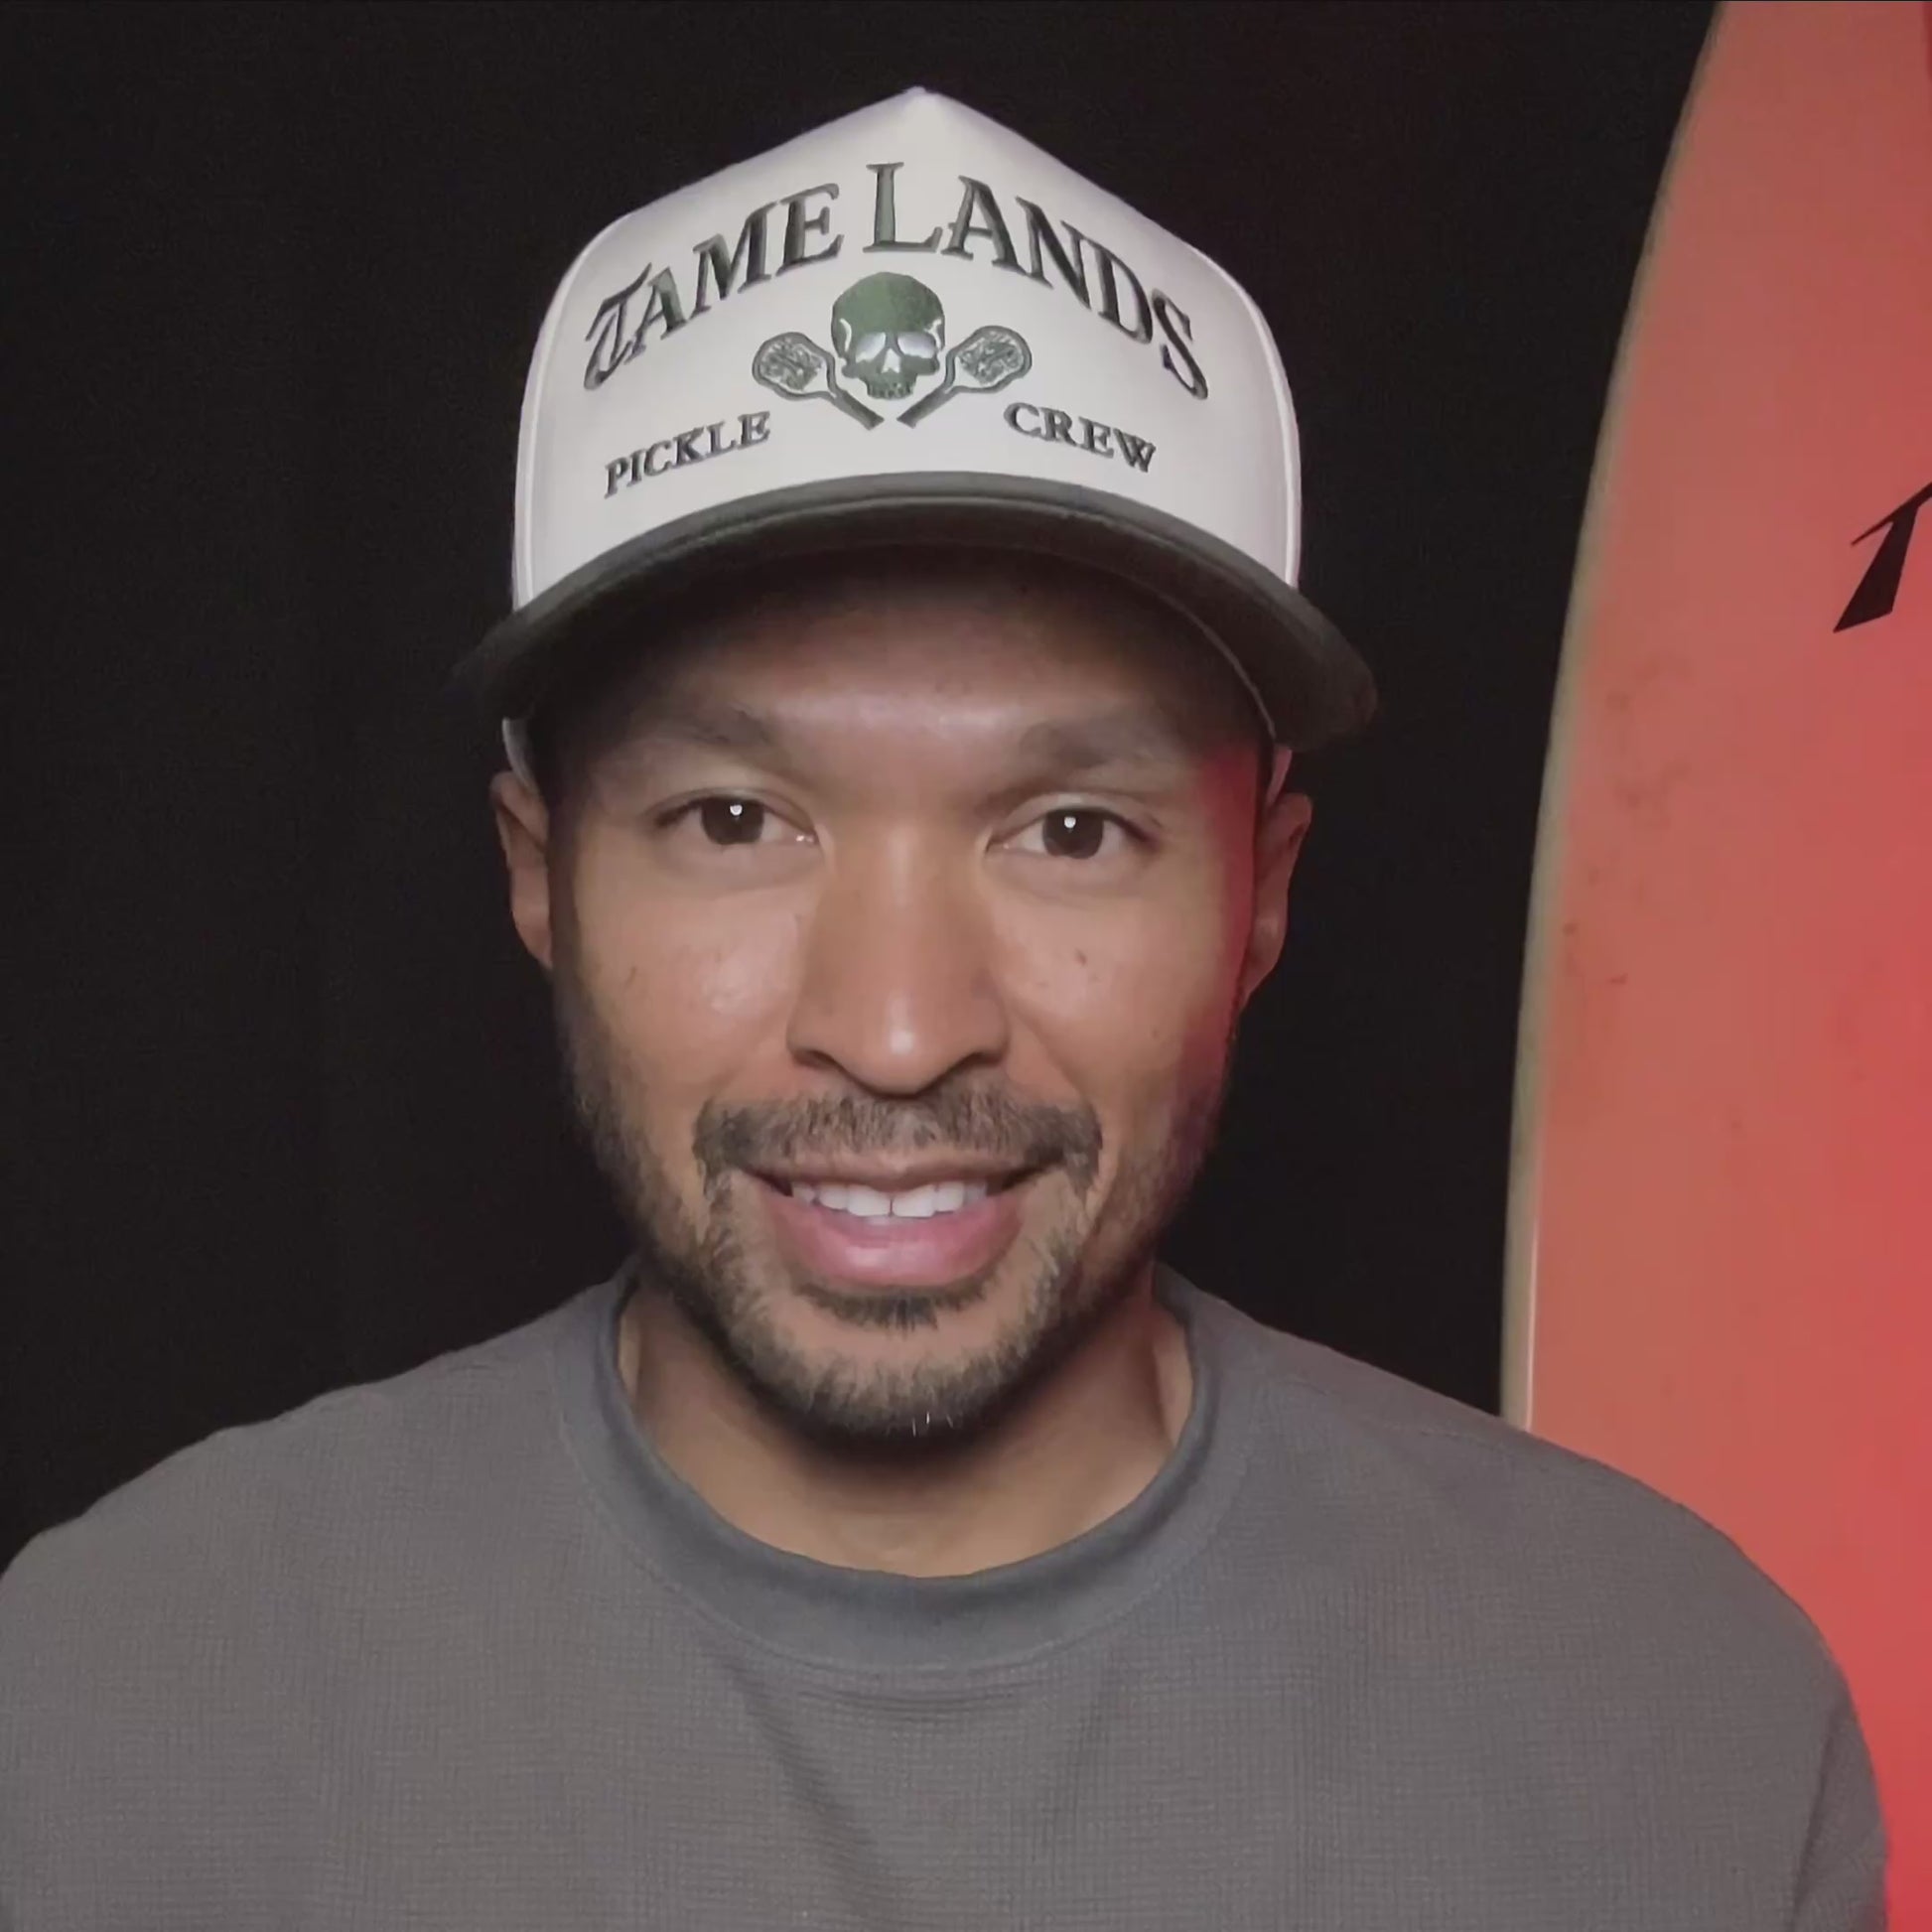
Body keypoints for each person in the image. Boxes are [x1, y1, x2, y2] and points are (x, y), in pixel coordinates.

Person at [0, 89, 1886, 1930]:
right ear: (538, 875)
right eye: (733, 820)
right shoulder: (111, 1715)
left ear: (1260, 893)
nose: (898, 1030)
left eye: (1068, 830)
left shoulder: (1672, 1732)